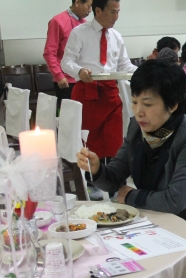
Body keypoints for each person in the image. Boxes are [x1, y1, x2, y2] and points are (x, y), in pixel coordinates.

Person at [76, 60, 186, 278]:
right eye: (135, 102)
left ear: (173, 105)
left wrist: (130, 196)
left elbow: (174, 201)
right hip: (151, 231)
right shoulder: (137, 129)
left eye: (147, 104)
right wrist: (98, 169)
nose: (139, 112)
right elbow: (115, 177)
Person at [61, 0, 137, 162]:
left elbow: (124, 65)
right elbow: (66, 62)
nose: (116, 17)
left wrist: (145, 71)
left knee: (114, 141)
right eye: (112, 12)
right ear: (98, 11)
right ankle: (90, 176)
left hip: (111, 94)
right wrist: (79, 70)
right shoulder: (79, 32)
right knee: (89, 143)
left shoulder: (116, 36)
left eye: (118, 12)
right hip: (87, 93)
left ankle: (112, 175)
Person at [43, 0, 92, 106]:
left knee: (84, 113)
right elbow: (49, 53)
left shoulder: (85, 24)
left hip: (82, 79)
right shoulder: (57, 21)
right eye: (88, 6)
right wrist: (58, 75)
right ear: (77, 2)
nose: (90, 10)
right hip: (65, 81)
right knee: (67, 114)